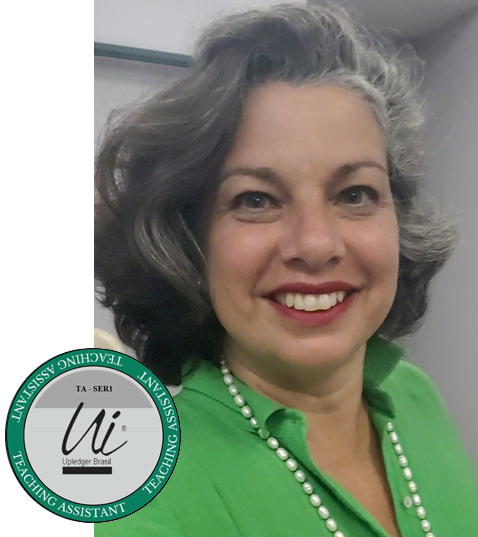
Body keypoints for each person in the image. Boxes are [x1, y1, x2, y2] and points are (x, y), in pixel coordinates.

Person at [94, 3, 478, 536]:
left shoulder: (415, 395)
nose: (315, 244)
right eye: (255, 200)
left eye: (355, 194)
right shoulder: (137, 492)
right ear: (189, 239)